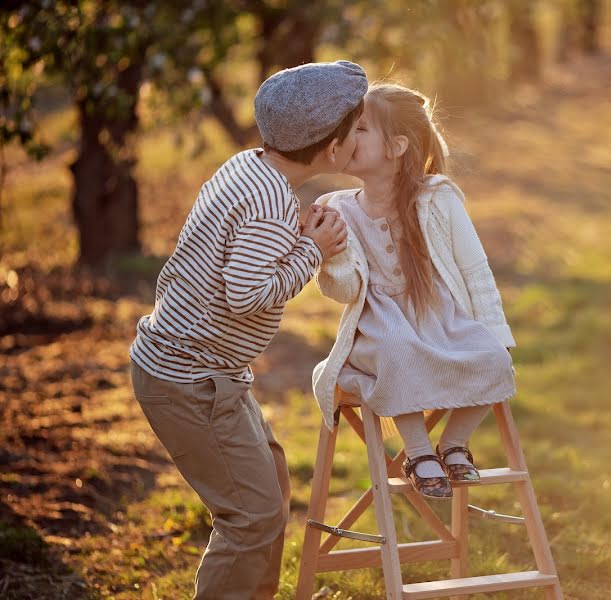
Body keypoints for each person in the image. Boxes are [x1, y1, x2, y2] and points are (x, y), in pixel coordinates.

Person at [128, 61, 366, 599]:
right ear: (332, 148)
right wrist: (313, 250)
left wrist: (293, 238)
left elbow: (239, 258)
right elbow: (247, 295)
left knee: (271, 490)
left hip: (201, 372)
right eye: (358, 128)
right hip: (191, 381)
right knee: (253, 514)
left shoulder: (249, 167)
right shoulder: (273, 204)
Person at [311, 82, 516, 500]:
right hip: (379, 324)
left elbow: (475, 270)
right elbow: (346, 290)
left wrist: (497, 332)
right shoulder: (338, 209)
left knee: (495, 359)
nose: (349, 138)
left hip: (438, 317)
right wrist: (329, 253)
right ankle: (418, 452)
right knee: (398, 350)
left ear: (397, 146)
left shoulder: (438, 199)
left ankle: (454, 443)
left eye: (362, 129)